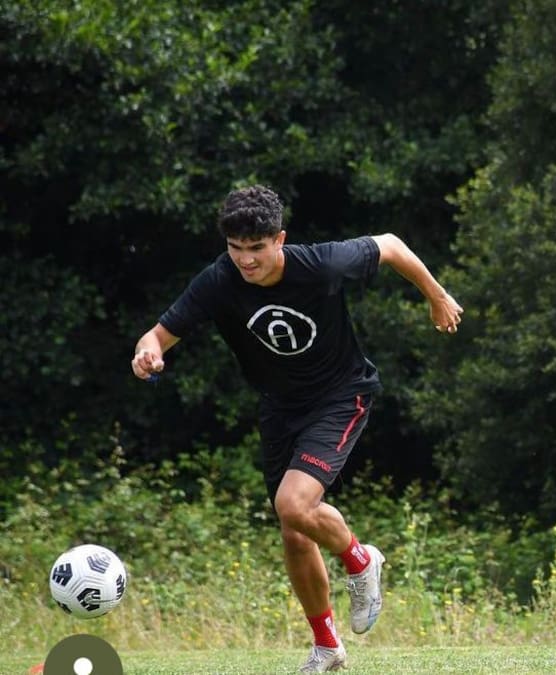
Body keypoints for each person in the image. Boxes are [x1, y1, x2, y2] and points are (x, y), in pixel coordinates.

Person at [131, 185, 463, 673]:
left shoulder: (321, 264)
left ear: (279, 239)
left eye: (257, 249)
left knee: (294, 503)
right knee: (293, 528)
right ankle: (327, 646)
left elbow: (390, 244)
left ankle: (360, 561)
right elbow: (158, 334)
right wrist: (149, 352)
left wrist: (437, 297)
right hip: (280, 409)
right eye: (236, 248)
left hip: (340, 394)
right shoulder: (219, 280)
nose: (246, 260)